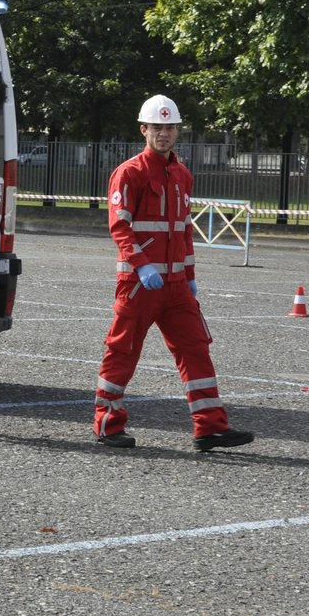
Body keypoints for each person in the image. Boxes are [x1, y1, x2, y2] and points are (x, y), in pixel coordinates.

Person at [92, 95, 253, 452]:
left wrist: (190, 275)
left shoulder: (182, 174)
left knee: (196, 348)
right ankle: (107, 422)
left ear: (178, 131)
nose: (163, 134)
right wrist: (142, 265)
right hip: (139, 285)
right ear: (144, 130)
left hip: (177, 287)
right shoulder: (128, 173)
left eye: (170, 128)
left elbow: (183, 230)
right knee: (123, 351)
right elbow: (120, 227)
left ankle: (210, 428)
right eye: (157, 128)